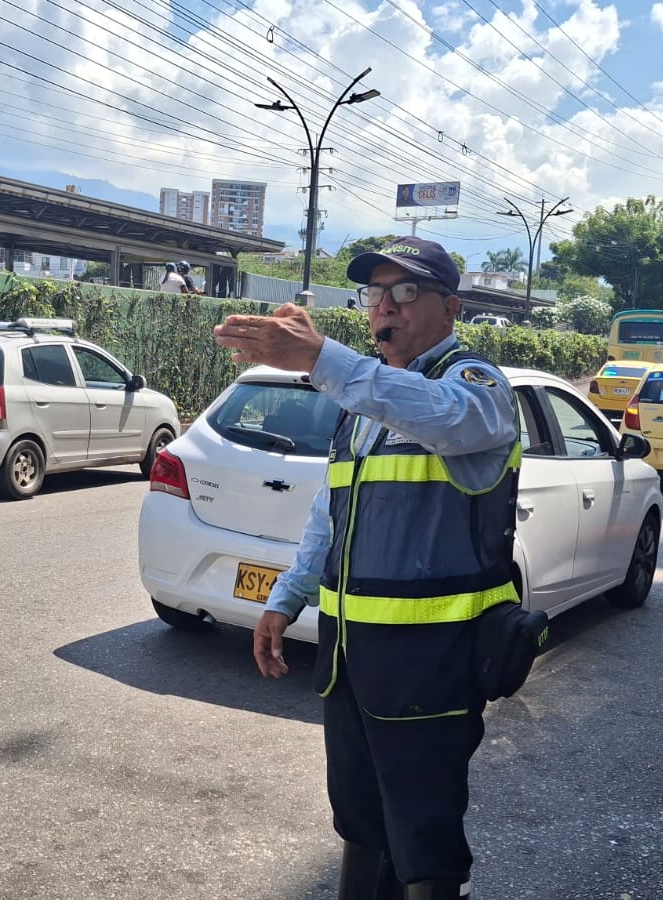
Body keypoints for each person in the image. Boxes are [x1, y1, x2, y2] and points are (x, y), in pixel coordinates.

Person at [213, 237, 527, 900]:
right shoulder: (363, 407)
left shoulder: (476, 387)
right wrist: (285, 597)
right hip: (351, 655)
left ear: (450, 308)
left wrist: (325, 360)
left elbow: (441, 417)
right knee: (358, 817)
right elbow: (331, 515)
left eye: (406, 292)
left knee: (423, 833)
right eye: (374, 294)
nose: (386, 307)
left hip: (433, 660)